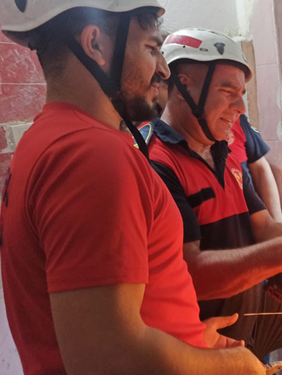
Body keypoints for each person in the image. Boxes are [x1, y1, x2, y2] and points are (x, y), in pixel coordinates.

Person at [0, 1, 265, 374]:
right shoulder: (92, 156)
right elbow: (109, 358)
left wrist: (187, 338)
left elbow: (111, 316)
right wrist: (231, 366)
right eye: (152, 48)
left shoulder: (46, 141)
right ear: (95, 44)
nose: (163, 69)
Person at [146, 28, 282, 375]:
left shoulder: (226, 150)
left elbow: (262, 227)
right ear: (183, 88)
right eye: (227, 92)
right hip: (203, 332)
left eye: (241, 94)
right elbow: (192, 274)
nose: (240, 107)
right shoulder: (158, 164)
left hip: (252, 307)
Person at [229, 115, 282, 223]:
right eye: (228, 96)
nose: (240, 107)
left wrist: (277, 224)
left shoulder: (238, 120)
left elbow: (260, 169)